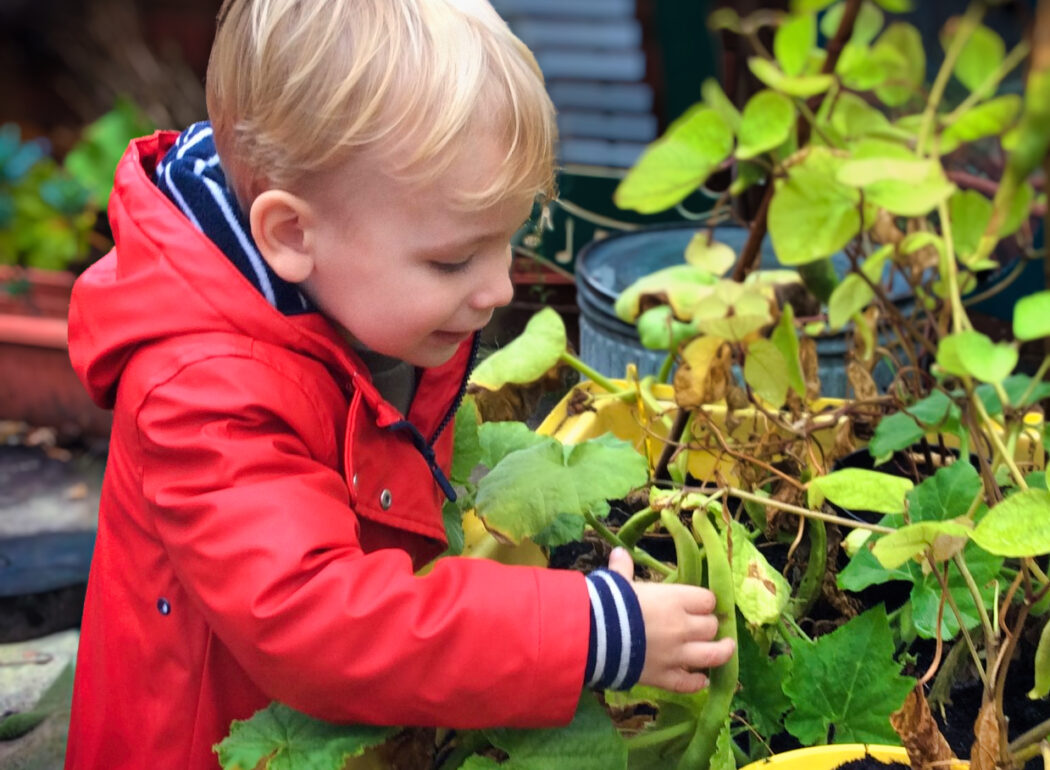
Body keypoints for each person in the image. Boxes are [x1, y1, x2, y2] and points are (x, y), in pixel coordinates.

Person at [64, 1, 736, 767]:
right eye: (454, 260)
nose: (497, 289)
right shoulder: (203, 393)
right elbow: (321, 624)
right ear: (289, 235)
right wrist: (589, 632)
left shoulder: (357, 292)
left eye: (510, 241)